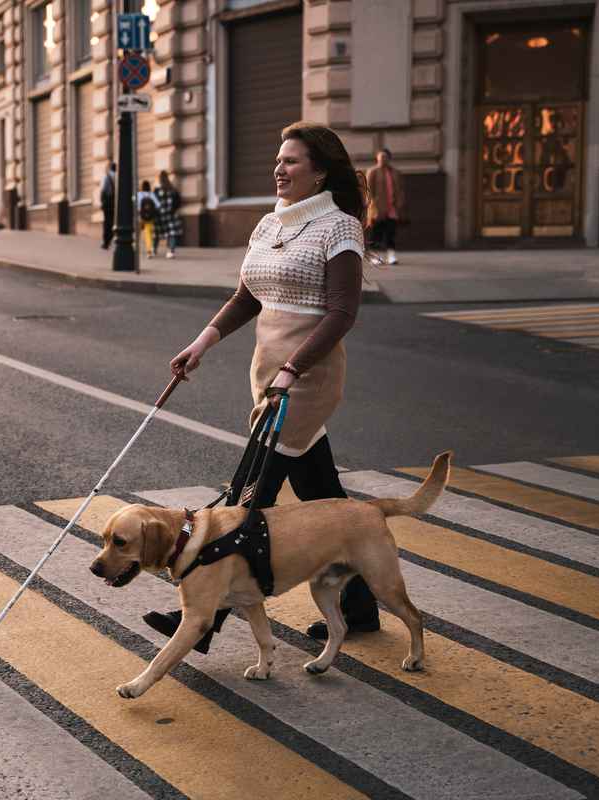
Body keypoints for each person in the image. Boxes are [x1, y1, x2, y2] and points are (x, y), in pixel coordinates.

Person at [143, 121, 376, 652]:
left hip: (306, 379)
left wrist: (294, 369)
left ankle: (205, 626)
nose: (279, 168)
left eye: (292, 161)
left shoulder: (340, 229)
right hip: (267, 377)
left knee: (246, 499)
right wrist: (201, 343)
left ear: (319, 172)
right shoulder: (270, 224)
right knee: (324, 494)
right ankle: (361, 610)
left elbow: (342, 314)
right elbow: (247, 297)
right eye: (278, 158)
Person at [366, 148, 404, 265]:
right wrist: (372, 207)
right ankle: (374, 256)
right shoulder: (372, 171)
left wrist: (399, 203)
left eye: (385, 157)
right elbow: (368, 191)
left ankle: (391, 255)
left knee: (391, 232)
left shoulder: (395, 172)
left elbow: (400, 189)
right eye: (380, 157)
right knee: (377, 233)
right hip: (378, 208)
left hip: (392, 207)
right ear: (377, 158)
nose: (383, 159)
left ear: (389, 158)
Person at [153, 171, 183, 259]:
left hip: (159, 216)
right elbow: (178, 202)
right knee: (171, 233)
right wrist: (173, 210)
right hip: (171, 215)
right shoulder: (172, 189)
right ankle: (171, 251)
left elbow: (154, 202)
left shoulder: (157, 190)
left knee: (156, 234)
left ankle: (153, 250)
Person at [136, 180, 159, 258]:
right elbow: (158, 205)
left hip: (140, 216)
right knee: (148, 233)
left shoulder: (138, 194)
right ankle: (149, 251)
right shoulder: (152, 194)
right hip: (149, 217)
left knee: (137, 233)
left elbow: (135, 205)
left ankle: (135, 247)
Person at [99, 162, 116, 249]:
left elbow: (103, 190)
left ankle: (106, 242)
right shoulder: (118, 176)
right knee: (113, 221)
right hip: (115, 203)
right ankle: (112, 237)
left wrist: (101, 201)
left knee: (107, 222)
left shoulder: (107, 177)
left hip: (108, 203)